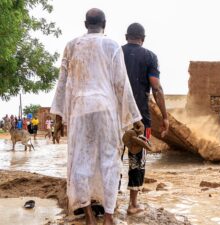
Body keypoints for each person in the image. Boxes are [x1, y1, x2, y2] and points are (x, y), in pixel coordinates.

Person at [50, 8, 142, 225]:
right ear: (105, 24)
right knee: (109, 161)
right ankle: (108, 216)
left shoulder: (72, 46)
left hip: (80, 109)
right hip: (105, 109)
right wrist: (136, 118)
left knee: (80, 162)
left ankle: (90, 216)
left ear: (85, 24)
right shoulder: (111, 45)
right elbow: (122, 83)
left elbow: (62, 83)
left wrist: (58, 118)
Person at [122, 22, 169, 214]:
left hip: (114, 116)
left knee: (111, 158)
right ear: (143, 39)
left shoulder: (115, 53)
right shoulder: (150, 56)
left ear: (126, 36)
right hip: (140, 118)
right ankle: (133, 204)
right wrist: (165, 117)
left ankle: (107, 202)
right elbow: (156, 88)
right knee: (137, 159)